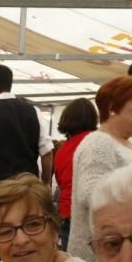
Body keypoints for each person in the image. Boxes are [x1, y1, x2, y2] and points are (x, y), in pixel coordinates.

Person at [68, 76, 132, 262]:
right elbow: (91, 194)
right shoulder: (99, 142)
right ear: (112, 107)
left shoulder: (128, 142)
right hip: (97, 259)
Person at [0, 64, 54, 184]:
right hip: (31, 185)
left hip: (4, 187)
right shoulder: (34, 110)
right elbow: (47, 150)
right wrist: (46, 182)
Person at [53, 98, 99, 250]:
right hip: (93, 213)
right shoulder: (98, 143)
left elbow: (61, 183)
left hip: (68, 214)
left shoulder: (62, 151)